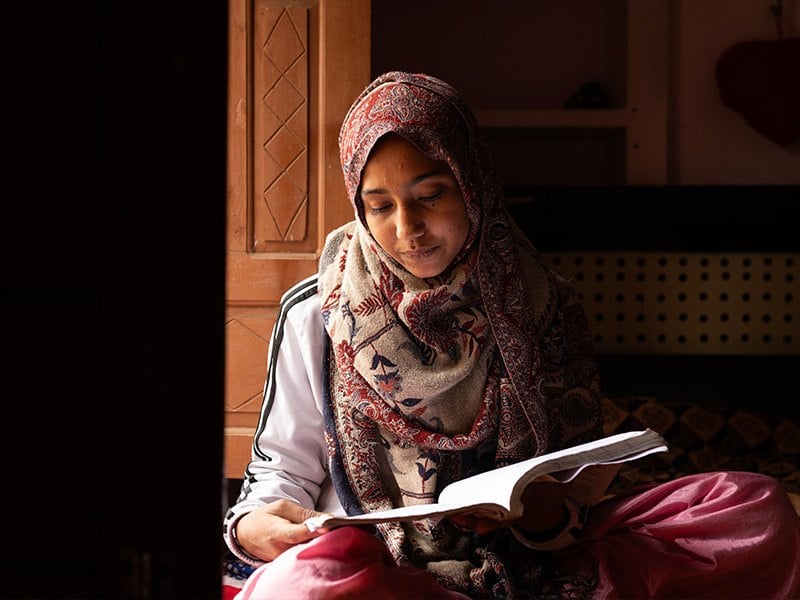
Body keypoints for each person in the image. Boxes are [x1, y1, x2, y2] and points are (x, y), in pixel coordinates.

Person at [223, 71, 800, 599]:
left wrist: (541, 513)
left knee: (755, 510)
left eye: (431, 197)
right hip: (377, 564)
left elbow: (571, 489)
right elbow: (280, 471)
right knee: (302, 584)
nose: (408, 230)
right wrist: (254, 527)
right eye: (379, 207)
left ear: (472, 182)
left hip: (523, 559)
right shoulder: (317, 310)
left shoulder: (543, 301)